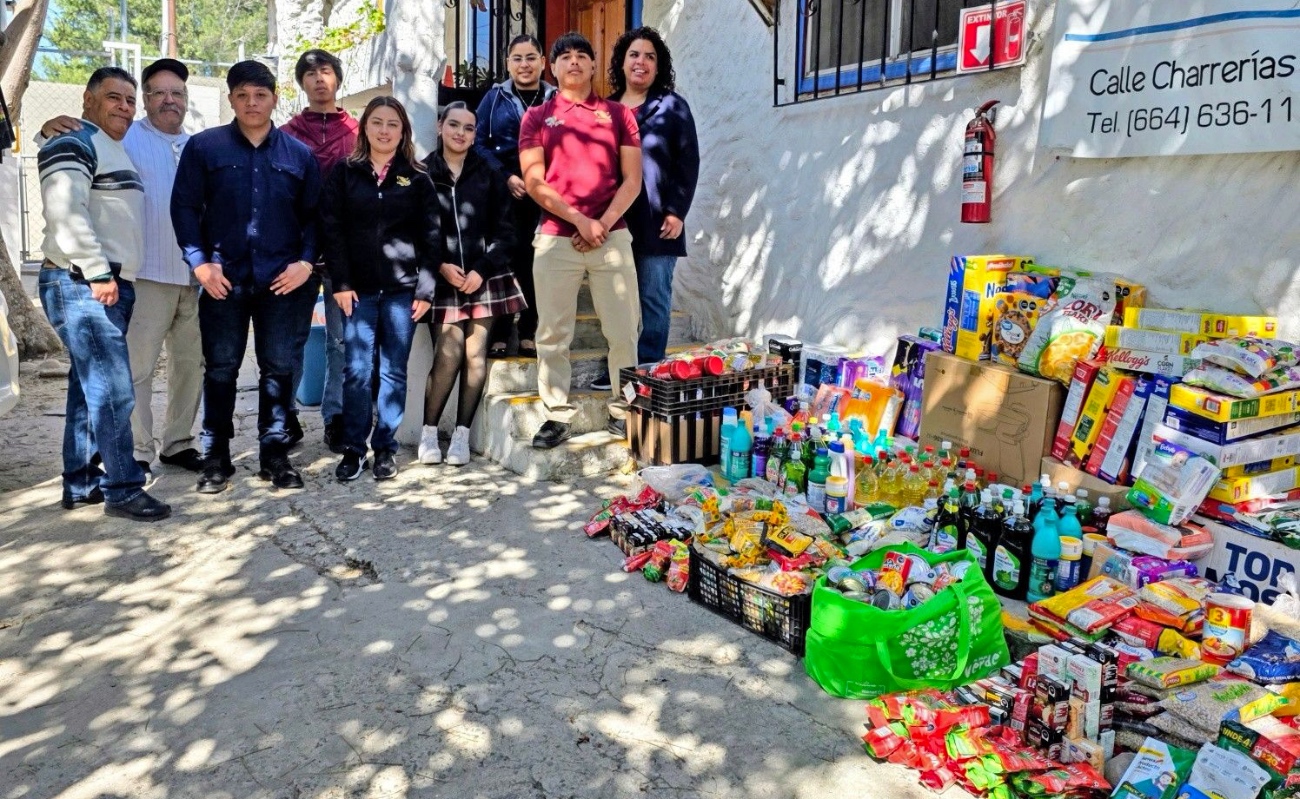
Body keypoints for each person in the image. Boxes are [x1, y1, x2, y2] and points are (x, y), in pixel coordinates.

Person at [36, 58, 209, 478]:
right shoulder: (123, 135)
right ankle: (138, 451)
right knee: (135, 371)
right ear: (146, 100)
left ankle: (179, 442)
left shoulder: (198, 146)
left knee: (191, 366)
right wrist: (47, 127)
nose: (169, 100)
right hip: (143, 275)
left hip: (193, 278)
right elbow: (74, 148)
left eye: (177, 93)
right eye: (158, 93)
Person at [172, 60, 322, 493]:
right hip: (224, 280)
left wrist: (305, 263)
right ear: (231, 99)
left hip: (281, 282)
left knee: (278, 368)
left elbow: (315, 217)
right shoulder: (205, 148)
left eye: (260, 95)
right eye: (242, 95)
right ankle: (216, 457)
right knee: (221, 369)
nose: (251, 103)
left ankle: (274, 455)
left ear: (274, 98)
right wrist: (199, 263)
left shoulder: (299, 155)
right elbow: (184, 207)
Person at [518, 32, 642, 450]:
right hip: (555, 239)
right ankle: (557, 414)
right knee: (553, 333)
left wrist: (601, 223)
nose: (573, 61)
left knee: (623, 330)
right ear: (552, 67)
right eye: (565, 56)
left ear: (593, 65)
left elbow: (633, 180)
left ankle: (623, 411)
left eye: (581, 55)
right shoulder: (536, 117)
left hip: (612, 236)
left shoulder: (618, 114)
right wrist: (579, 221)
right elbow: (534, 182)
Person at [319, 97, 439, 481]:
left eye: (393, 124)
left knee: (393, 372)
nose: (384, 131)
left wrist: (425, 289)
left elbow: (431, 238)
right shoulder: (344, 173)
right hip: (357, 293)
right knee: (356, 371)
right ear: (365, 127)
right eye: (377, 122)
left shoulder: (416, 178)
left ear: (403, 132)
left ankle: (385, 448)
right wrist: (341, 282)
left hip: (403, 294)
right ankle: (354, 449)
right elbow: (332, 230)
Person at [590, 27, 700, 390]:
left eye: (650, 56)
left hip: (657, 221)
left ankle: (648, 367)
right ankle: (619, 366)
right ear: (622, 63)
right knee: (617, 301)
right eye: (634, 55)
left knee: (653, 297)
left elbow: (688, 161)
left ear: (658, 65)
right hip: (614, 221)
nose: (641, 62)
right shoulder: (604, 110)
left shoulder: (672, 106)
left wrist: (677, 211)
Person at [418, 102, 522, 466]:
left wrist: (482, 268)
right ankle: (429, 432)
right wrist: (440, 266)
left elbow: (507, 231)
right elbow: (416, 231)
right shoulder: (423, 173)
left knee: (476, 355)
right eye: (454, 125)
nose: (460, 133)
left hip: (484, 275)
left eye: (469, 128)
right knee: (449, 353)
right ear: (440, 127)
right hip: (443, 277)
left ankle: (461, 435)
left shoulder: (489, 173)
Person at [282, 49, 360, 452]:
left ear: (337, 79)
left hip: (344, 253)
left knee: (340, 340)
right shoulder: (287, 133)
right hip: (297, 253)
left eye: (325, 72)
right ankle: (285, 417)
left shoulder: (358, 131)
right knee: (291, 338)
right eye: (310, 74)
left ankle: (336, 416)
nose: (318, 80)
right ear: (302, 82)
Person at [475, 34, 555, 360]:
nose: (524, 65)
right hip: (503, 192)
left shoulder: (555, 98)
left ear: (543, 62)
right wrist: (505, 176)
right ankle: (502, 329)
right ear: (508, 63)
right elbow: (478, 144)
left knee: (536, 261)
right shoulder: (493, 99)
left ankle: (529, 330)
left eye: (531, 57)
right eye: (517, 58)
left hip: (544, 194)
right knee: (504, 259)